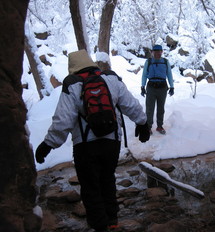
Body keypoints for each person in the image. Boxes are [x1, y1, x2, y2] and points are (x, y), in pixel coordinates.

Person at [35, 50, 150, 232]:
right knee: (107, 179)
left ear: (72, 67)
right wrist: (143, 123)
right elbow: (131, 104)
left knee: (90, 187)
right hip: (112, 142)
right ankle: (112, 220)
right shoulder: (111, 80)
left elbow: (63, 119)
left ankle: (100, 227)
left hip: (85, 145)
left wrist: (48, 144)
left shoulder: (72, 84)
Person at [141, 44, 174, 135]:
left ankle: (160, 126)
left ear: (162, 52)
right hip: (151, 86)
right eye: (156, 52)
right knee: (149, 108)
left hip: (162, 87)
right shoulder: (148, 62)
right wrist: (142, 87)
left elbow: (169, 75)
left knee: (161, 108)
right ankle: (148, 127)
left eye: (159, 51)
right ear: (152, 52)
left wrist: (172, 86)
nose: (158, 53)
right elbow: (144, 75)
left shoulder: (165, 62)